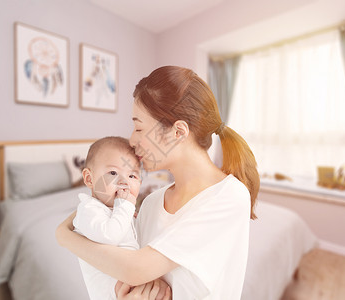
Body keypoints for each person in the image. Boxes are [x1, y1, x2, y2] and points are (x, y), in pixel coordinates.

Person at [56, 66, 259, 299]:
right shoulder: (152, 203)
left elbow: (135, 269)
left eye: (139, 127)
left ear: (178, 132)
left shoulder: (229, 195)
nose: (131, 140)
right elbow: (130, 280)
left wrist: (64, 235)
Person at [73, 136, 142, 300]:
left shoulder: (118, 210)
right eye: (113, 173)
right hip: (112, 294)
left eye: (132, 176)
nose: (124, 182)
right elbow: (110, 236)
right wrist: (124, 208)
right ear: (89, 179)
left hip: (132, 283)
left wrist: (129, 215)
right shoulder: (88, 209)